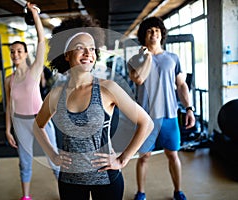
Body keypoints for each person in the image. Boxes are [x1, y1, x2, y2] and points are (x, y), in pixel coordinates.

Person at [32, 21, 154, 199]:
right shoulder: (57, 94)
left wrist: (122, 159)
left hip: (106, 178)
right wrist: (54, 156)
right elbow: (38, 126)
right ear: (67, 55)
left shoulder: (108, 88)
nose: (88, 53)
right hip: (70, 180)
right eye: (80, 47)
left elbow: (146, 123)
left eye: (92, 48)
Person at [127, 17, 195, 200]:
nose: (154, 33)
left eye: (157, 30)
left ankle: (178, 191)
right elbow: (138, 79)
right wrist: (147, 57)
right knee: (144, 157)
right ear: (144, 36)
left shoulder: (173, 58)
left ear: (162, 34)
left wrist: (189, 108)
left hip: (169, 116)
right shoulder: (135, 59)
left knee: (173, 154)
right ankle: (141, 193)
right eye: (149, 30)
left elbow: (181, 85)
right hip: (146, 118)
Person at [4, 2, 58, 200]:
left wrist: (34, 14)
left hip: (40, 121)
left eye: (19, 51)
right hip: (19, 122)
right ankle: (26, 197)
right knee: (24, 162)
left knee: (55, 159)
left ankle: (66, 192)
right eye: (13, 52)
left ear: (25, 54)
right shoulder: (9, 79)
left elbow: (41, 41)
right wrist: (7, 129)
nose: (15, 54)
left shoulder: (34, 71)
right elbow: (9, 105)